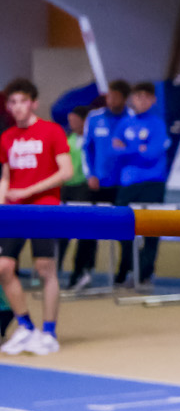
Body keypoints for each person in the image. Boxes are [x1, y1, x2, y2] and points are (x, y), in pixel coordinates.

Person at [0, 79, 73, 355]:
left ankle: (49, 332)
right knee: (3, 267)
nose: (17, 107)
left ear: (33, 103)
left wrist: (29, 190)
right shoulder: (7, 137)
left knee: (45, 268)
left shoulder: (52, 131)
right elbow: (6, 176)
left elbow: (66, 171)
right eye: (12, 102)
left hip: (44, 206)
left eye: (22, 101)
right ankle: (25, 327)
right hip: (14, 210)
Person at [111, 81, 170, 292]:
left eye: (146, 97)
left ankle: (144, 273)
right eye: (138, 96)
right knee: (122, 229)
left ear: (153, 100)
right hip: (128, 183)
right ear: (132, 99)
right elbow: (114, 150)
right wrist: (138, 148)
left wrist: (129, 149)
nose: (141, 101)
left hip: (152, 183)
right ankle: (126, 268)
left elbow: (152, 153)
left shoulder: (157, 124)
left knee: (151, 231)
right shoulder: (125, 123)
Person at [81, 80, 128, 288]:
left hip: (123, 186)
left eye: (116, 96)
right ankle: (84, 271)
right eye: (109, 95)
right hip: (97, 184)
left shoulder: (131, 119)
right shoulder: (94, 117)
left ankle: (124, 272)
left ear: (124, 98)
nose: (111, 100)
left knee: (125, 231)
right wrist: (90, 174)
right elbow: (86, 148)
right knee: (89, 230)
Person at [59, 107, 93, 291]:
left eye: (75, 120)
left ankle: (81, 271)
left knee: (84, 232)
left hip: (84, 188)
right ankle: (55, 270)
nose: (72, 123)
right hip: (67, 188)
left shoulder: (91, 138)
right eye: (69, 120)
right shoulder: (67, 139)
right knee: (61, 232)